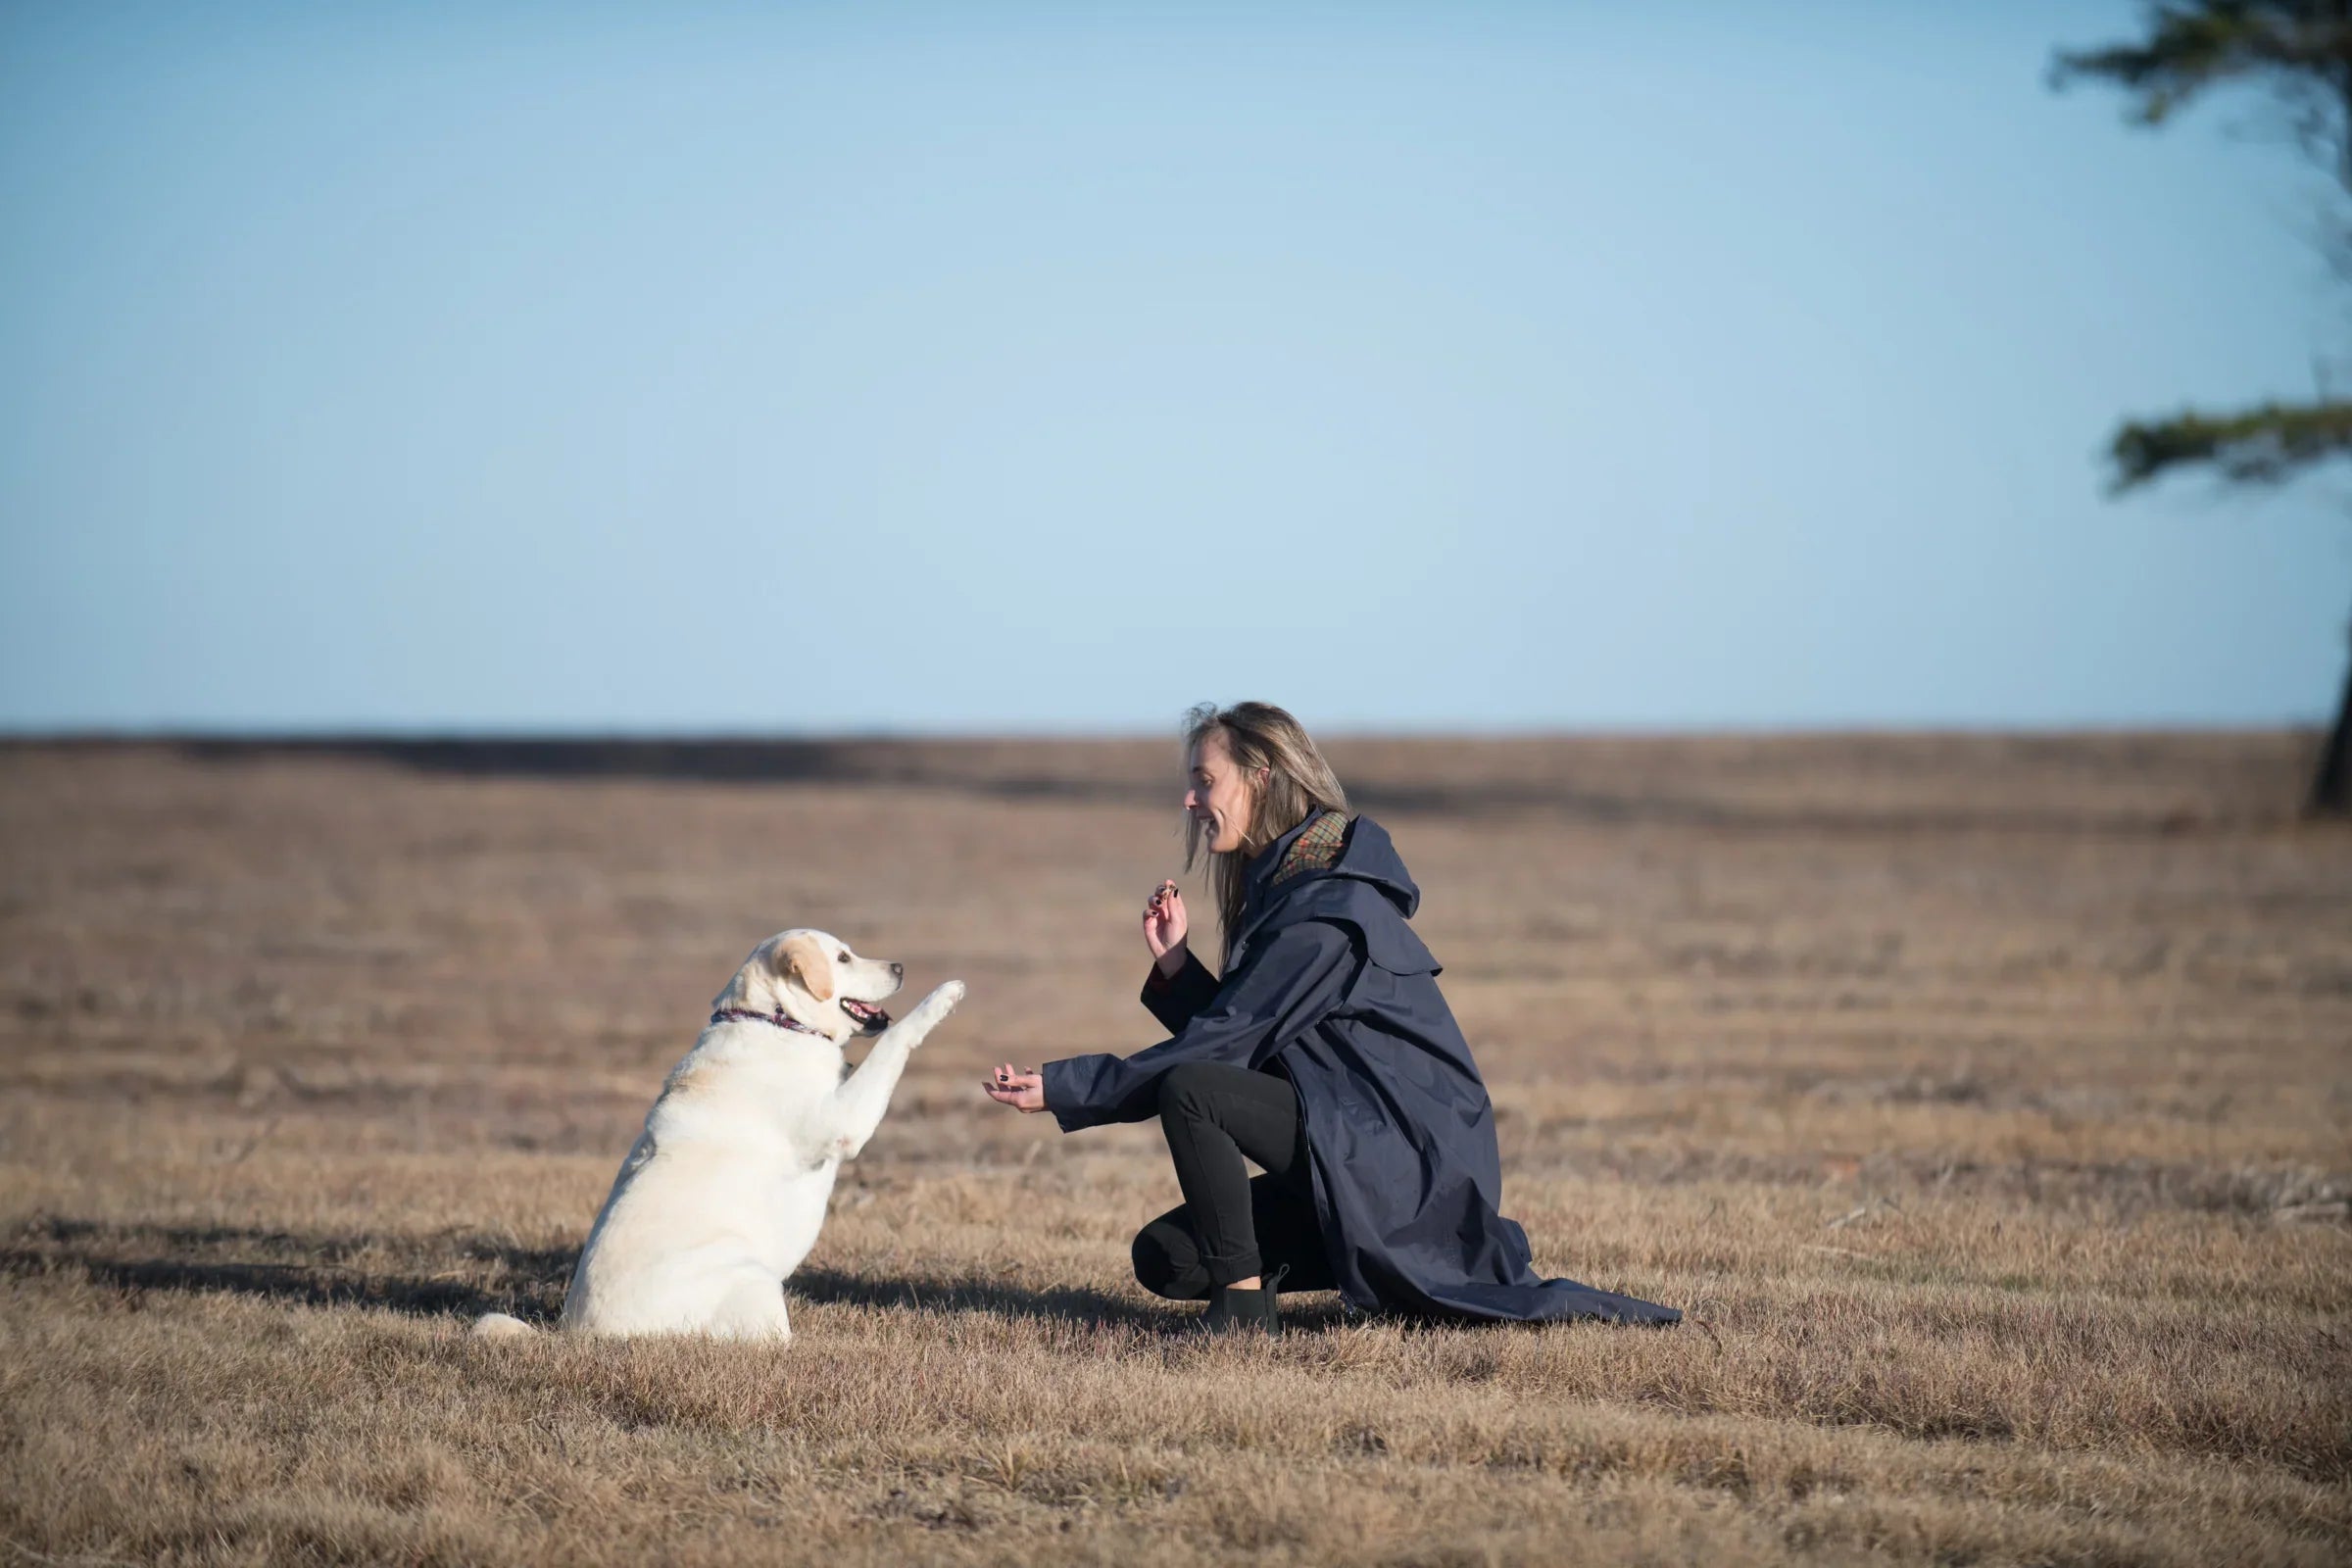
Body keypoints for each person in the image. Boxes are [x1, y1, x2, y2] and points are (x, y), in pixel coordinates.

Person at [981, 701, 1681, 1334]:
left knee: (1192, 1090)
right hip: (1351, 1144)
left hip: (1410, 1177)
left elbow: (1223, 1048)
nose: (1191, 800)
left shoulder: (1327, 911)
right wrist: (1175, 967)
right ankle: (1366, 1266)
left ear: (1259, 777)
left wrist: (1067, 1088)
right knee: (1167, 1257)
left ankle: (1245, 1314)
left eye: (1205, 780)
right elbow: (1256, 1034)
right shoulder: (1290, 888)